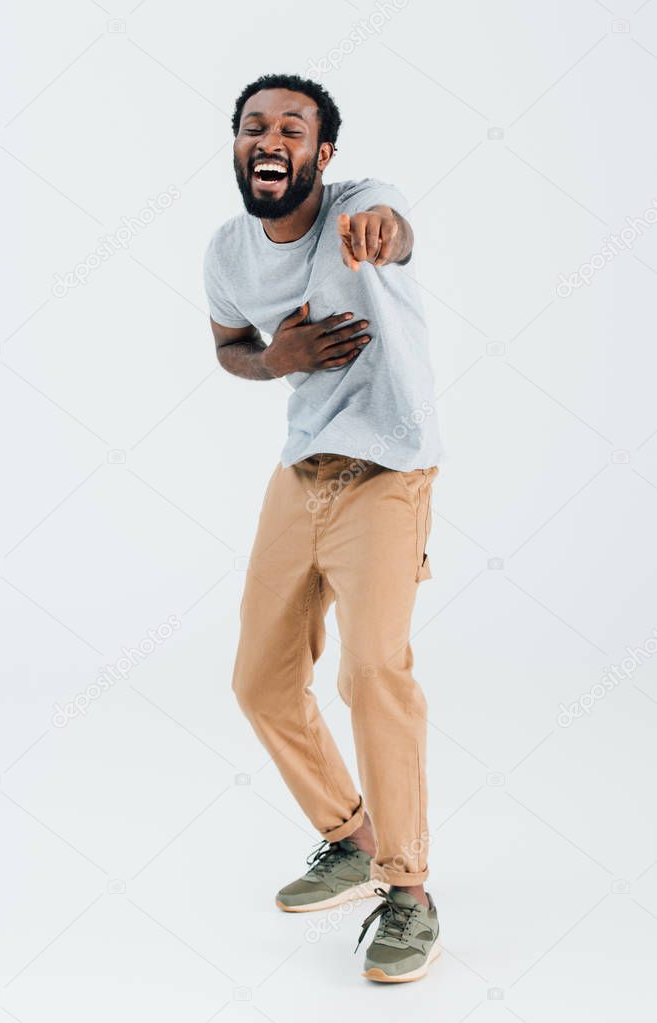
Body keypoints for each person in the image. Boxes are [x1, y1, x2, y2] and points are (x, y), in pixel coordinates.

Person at [203, 73, 444, 984]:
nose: (271, 138)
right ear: (240, 148)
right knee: (260, 680)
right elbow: (227, 348)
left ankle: (409, 890)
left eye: (292, 128)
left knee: (372, 669)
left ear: (321, 154)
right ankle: (350, 836)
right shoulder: (227, 250)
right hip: (299, 472)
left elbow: (395, 226)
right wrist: (276, 359)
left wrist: (388, 233)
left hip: (386, 471)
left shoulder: (360, 208)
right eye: (254, 126)